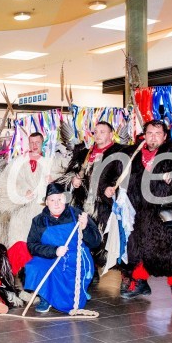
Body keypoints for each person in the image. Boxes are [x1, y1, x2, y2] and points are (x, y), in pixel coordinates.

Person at [123, 120, 172, 309]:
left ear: (165, 136)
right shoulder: (134, 155)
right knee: (139, 249)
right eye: (149, 133)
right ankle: (139, 282)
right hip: (142, 212)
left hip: (170, 211)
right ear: (144, 135)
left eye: (157, 133)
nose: (153, 137)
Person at [60, 121, 131, 287]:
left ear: (111, 134)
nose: (98, 135)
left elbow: (126, 176)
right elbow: (72, 172)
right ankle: (90, 269)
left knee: (114, 240)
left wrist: (113, 188)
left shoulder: (119, 152)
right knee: (86, 237)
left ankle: (127, 276)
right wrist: (74, 180)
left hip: (109, 206)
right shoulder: (85, 153)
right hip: (85, 204)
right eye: (96, 132)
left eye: (102, 132)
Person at [23, 183, 101, 314]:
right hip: (51, 258)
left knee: (72, 304)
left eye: (60, 199)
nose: (56, 204)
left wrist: (85, 228)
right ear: (46, 202)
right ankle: (45, 297)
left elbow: (96, 241)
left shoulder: (78, 215)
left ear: (65, 199)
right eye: (52, 200)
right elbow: (32, 246)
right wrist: (54, 251)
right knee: (34, 266)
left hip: (75, 259)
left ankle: (80, 290)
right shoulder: (38, 221)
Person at [0, 132, 65, 246]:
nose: (34, 145)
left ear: (42, 143)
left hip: (42, 212)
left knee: (41, 244)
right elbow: (7, 180)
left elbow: (62, 183)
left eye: (37, 142)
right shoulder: (17, 162)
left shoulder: (51, 162)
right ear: (28, 144)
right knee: (18, 242)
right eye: (32, 142)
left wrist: (53, 182)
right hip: (21, 212)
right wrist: (23, 190)